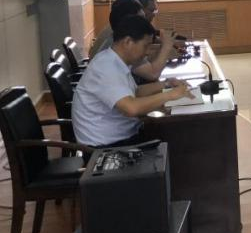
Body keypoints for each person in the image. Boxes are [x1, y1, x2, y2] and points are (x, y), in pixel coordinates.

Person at [73, 16, 193, 147]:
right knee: (180, 138)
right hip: (107, 148)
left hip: (122, 137)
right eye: (145, 46)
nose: (147, 52)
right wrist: (170, 95)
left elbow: (135, 92)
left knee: (178, 133)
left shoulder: (114, 60)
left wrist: (166, 84)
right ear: (128, 42)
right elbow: (131, 108)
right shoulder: (106, 67)